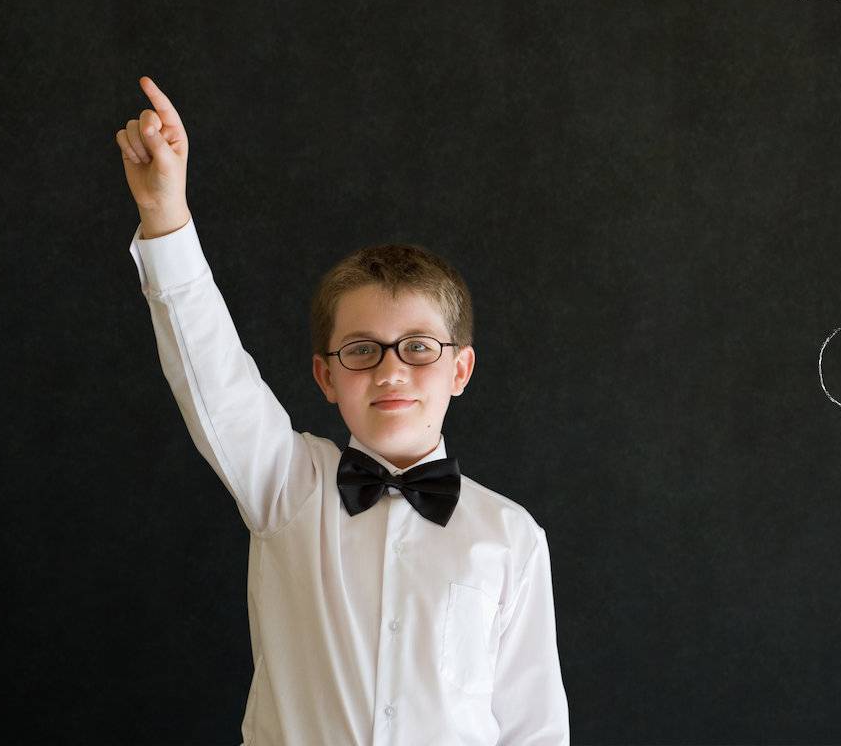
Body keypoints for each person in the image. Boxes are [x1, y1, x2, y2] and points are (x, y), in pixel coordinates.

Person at [117, 74, 568, 746]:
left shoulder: (509, 535)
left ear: (461, 368)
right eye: (362, 350)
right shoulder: (286, 487)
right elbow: (213, 375)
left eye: (417, 347)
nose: (390, 370)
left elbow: (533, 729)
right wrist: (165, 217)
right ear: (326, 377)